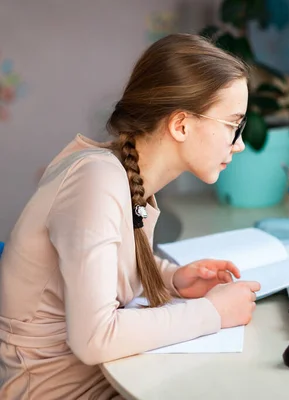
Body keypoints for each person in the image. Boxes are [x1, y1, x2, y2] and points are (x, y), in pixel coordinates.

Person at [0, 33, 261, 399]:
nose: (240, 143)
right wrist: (212, 312)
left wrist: (171, 278)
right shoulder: (96, 180)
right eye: (234, 124)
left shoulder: (122, 174)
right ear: (181, 124)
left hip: (101, 379)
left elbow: (101, 267)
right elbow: (95, 338)